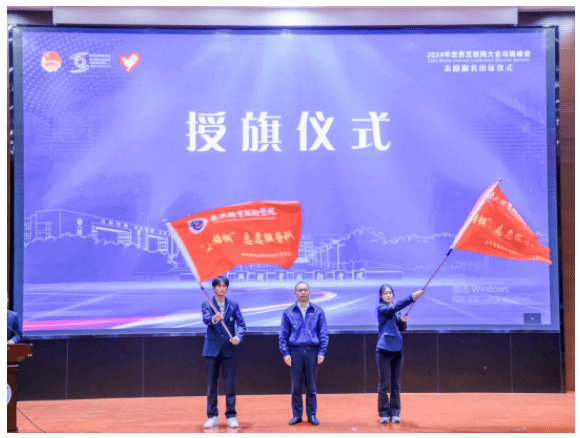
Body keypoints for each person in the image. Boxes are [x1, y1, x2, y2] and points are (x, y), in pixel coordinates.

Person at [279, 282, 328, 426]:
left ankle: (311, 414)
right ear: (295, 293)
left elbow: (323, 333)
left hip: (312, 351)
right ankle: (297, 415)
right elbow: (283, 334)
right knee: (296, 387)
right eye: (300, 290)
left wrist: (322, 351)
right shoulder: (288, 312)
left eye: (305, 290)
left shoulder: (318, 311)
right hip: (295, 352)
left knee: (311, 386)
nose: (303, 293)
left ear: (309, 292)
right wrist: (285, 352)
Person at [201, 276, 246, 429]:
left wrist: (237, 337)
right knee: (211, 385)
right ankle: (212, 416)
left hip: (229, 349)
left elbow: (241, 325)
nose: (221, 288)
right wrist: (214, 318)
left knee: (230, 385)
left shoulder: (233, 305)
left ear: (227, 288)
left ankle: (231, 416)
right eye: (218, 286)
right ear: (213, 288)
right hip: (212, 350)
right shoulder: (207, 304)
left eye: (224, 286)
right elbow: (206, 319)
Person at [375, 284, 424, 424]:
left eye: (390, 292)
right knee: (383, 384)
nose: (388, 295)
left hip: (398, 349)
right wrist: (413, 296)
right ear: (381, 296)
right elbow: (394, 308)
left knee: (396, 383)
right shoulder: (381, 308)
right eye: (385, 293)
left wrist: (403, 322)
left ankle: (395, 412)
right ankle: (384, 413)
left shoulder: (396, 311)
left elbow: (400, 329)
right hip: (384, 349)